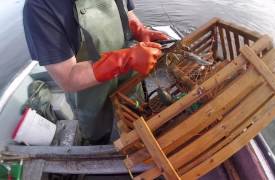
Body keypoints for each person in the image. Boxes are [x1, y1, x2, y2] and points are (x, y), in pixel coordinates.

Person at [23, 0, 169, 144]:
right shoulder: (40, 7)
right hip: (90, 94)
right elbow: (68, 77)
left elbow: (127, 12)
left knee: (136, 110)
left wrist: (139, 29)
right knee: (98, 135)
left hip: (130, 79)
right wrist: (127, 59)